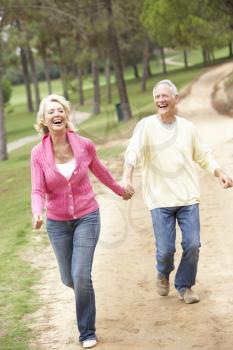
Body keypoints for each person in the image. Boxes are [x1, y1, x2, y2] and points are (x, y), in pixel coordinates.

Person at [31, 94, 134, 349]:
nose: (56, 114)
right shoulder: (38, 153)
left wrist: (120, 190)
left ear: (66, 116)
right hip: (57, 223)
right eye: (51, 112)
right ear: (44, 120)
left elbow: (100, 171)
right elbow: (37, 190)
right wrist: (37, 212)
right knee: (70, 279)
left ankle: (87, 331)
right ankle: (84, 293)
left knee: (80, 274)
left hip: (87, 216)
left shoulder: (84, 145)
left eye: (60, 110)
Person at [122, 79, 232, 304]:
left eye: (165, 96)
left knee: (192, 245)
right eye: (157, 97)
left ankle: (185, 285)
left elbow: (204, 155)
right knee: (165, 251)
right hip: (159, 200)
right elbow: (133, 151)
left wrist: (219, 172)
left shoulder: (188, 128)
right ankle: (163, 272)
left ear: (175, 99)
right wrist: (126, 176)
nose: (161, 100)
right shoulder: (146, 126)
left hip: (187, 197)